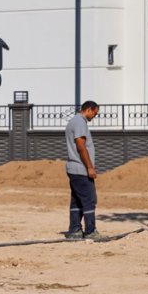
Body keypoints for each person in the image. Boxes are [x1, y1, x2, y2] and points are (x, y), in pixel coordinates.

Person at [65, 101, 101, 240]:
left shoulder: (74, 121)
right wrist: (90, 167)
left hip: (74, 168)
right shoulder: (79, 122)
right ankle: (91, 231)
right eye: (95, 113)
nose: (95, 116)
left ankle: (74, 231)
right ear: (89, 109)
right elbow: (81, 146)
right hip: (80, 169)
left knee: (77, 201)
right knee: (89, 200)